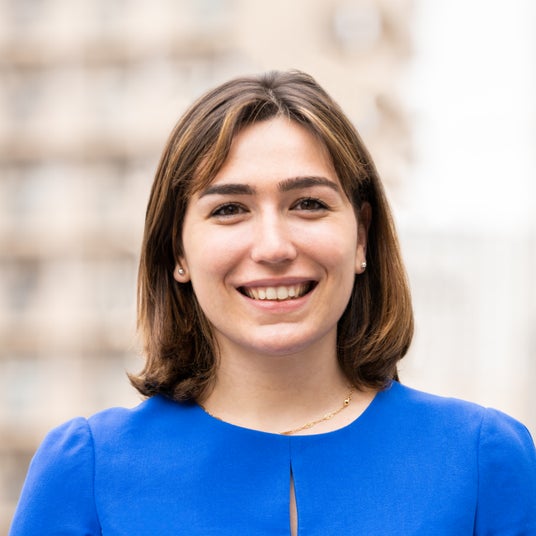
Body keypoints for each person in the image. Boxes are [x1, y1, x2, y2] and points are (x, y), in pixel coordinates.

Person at [9, 70, 536, 535]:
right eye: (229, 209)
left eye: (308, 203)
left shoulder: (483, 461)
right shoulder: (85, 471)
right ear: (178, 251)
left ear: (361, 237)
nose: (273, 247)